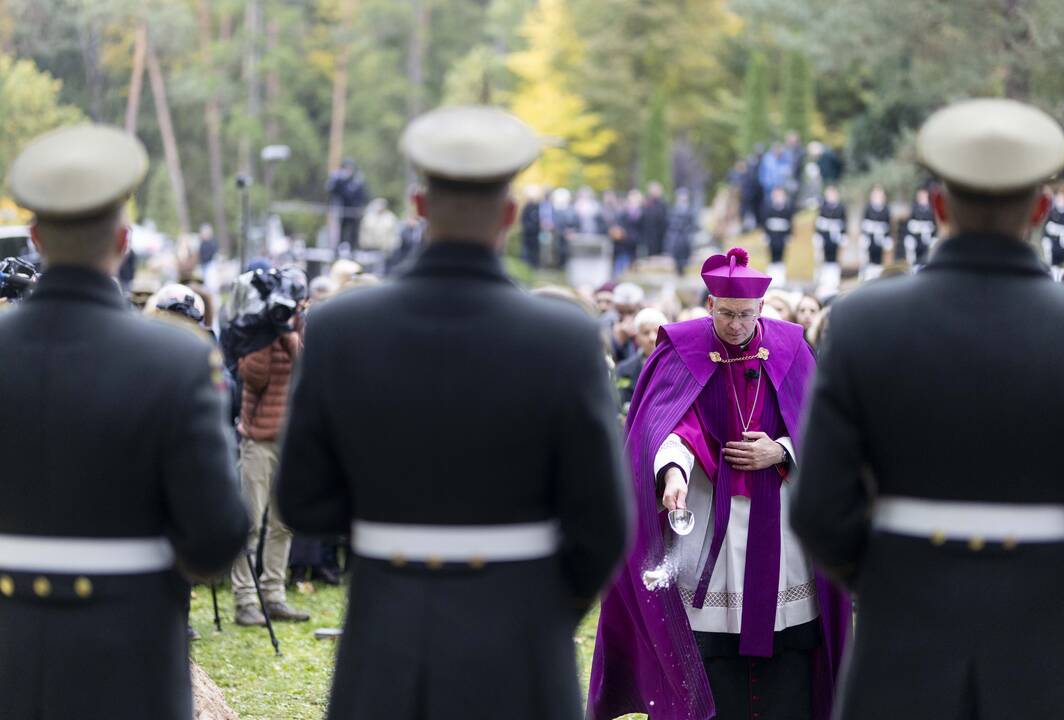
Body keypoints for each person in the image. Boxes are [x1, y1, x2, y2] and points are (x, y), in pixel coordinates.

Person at [276, 105, 629, 720]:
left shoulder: (340, 329)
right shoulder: (563, 337)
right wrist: (540, 600)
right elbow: (603, 522)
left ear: (418, 205)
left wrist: (391, 527)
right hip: (522, 644)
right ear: (512, 215)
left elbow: (304, 499)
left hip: (386, 629)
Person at [793, 98, 1064, 720]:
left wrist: (892, 576)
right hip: (1050, 645)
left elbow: (818, 508)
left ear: (939, 206)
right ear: (1041, 209)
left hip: (901, 637)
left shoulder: (864, 322)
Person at [0, 124, 249, 719]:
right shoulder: (178, 358)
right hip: (129, 657)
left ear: (34, 238)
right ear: (123, 238)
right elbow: (215, 537)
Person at [589, 247, 850, 720]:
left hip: (781, 519)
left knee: (785, 637)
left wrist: (782, 450)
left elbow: (823, 425)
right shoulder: (681, 348)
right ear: (710, 306)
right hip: (710, 515)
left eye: (746, 315)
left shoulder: (791, 348)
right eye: (726, 314)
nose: (735, 325)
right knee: (710, 642)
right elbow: (667, 427)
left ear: (762, 309)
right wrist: (673, 474)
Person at [229, 268, 309, 626]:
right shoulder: (255, 330)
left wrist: (288, 332)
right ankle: (246, 599)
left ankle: (274, 593)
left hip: (292, 442)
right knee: (250, 523)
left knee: (283, 523)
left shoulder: (301, 329)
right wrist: (266, 332)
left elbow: (309, 370)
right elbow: (253, 376)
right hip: (258, 441)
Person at [614, 307, 666, 412]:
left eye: (657, 332)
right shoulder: (623, 369)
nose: (652, 338)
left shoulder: (676, 368)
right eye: (646, 333)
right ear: (637, 338)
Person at [326, 158, 368, 254]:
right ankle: (337, 250)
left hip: (353, 211)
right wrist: (336, 179)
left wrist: (360, 207)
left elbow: (362, 196)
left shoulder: (358, 180)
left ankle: (353, 250)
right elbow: (331, 191)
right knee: (340, 231)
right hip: (342, 211)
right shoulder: (340, 180)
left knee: (353, 232)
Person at [813, 185, 847, 295]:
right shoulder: (822, 207)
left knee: (835, 260)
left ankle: (834, 280)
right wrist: (817, 235)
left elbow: (844, 223)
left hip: (835, 239)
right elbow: (818, 224)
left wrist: (843, 236)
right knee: (822, 259)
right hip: (825, 239)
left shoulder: (841, 208)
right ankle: (823, 280)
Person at [1041, 185, 1064, 281]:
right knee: (1051, 262)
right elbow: (1046, 225)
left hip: (1063, 241)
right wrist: (1045, 237)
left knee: (1062, 262)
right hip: (1053, 240)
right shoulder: (1052, 211)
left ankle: (1060, 278)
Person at [763, 186, 794, 286]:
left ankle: (780, 278)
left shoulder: (787, 209)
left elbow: (790, 223)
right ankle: (771, 278)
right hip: (772, 236)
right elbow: (765, 222)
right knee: (772, 256)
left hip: (782, 236)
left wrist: (789, 235)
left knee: (781, 256)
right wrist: (766, 235)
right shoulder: (768, 208)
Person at [859, 185, 892, 280]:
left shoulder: (886, 209)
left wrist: (887, 237)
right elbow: (864, 224)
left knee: (880, 262)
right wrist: (864, 236)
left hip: (881, 239)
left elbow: (888, 225)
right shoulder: (868, 208)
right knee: (866, 261)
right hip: (869, 239)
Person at [900, 187, 938, 269]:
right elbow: (909, 226)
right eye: (920, 196)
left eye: (924, 195)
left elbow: (935, 226)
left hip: (928, 238)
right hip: (916, 238)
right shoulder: (914, 208)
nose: (922, 198)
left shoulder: (932, 209)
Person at [666, 187, 697, 276]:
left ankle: (683, 269)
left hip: (685, 235)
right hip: (676, 235)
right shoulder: (674, 209)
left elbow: (692, 223)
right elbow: (671, 222)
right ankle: (678, 269)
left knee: (685, 254)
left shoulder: (690, 209)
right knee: (677, 253)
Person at [642, 181, 669, 257]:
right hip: (649, 237)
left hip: (661, 236)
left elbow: (665, 220)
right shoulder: (646, 203)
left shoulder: (663, 204)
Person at [520, 185, 544, 269]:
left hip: (535, 233)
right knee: (526, 249)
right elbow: (523, 220)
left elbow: (539, 219)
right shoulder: (526, 207)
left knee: (535, 249)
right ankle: (526, 265)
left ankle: (535, 265)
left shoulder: (537, 207)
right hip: (528, 233)